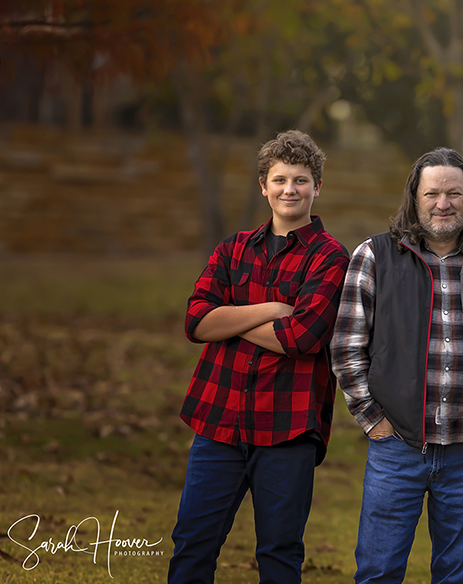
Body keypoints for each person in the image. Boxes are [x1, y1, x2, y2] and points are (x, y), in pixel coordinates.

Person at [168, 130, 349, 584]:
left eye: (301, 180)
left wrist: (228, 320)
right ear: (263, 187)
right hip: (219, 419)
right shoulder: (232, 249)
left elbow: (302, 337)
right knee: (193, 541)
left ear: (317, 187)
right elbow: (195, 323)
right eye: (280, 179)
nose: (290, 189)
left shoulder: (330, 257)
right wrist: (270, 310)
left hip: (288, 427)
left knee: (279, 552)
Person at [330, 147, 463, 584]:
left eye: (454, 194)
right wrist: (373, 422)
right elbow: (347, 346)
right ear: (414, 197)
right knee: (378, 571)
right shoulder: (374, 256)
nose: (442, 204)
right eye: (432, 194)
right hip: (397, 448)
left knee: (461, 576)